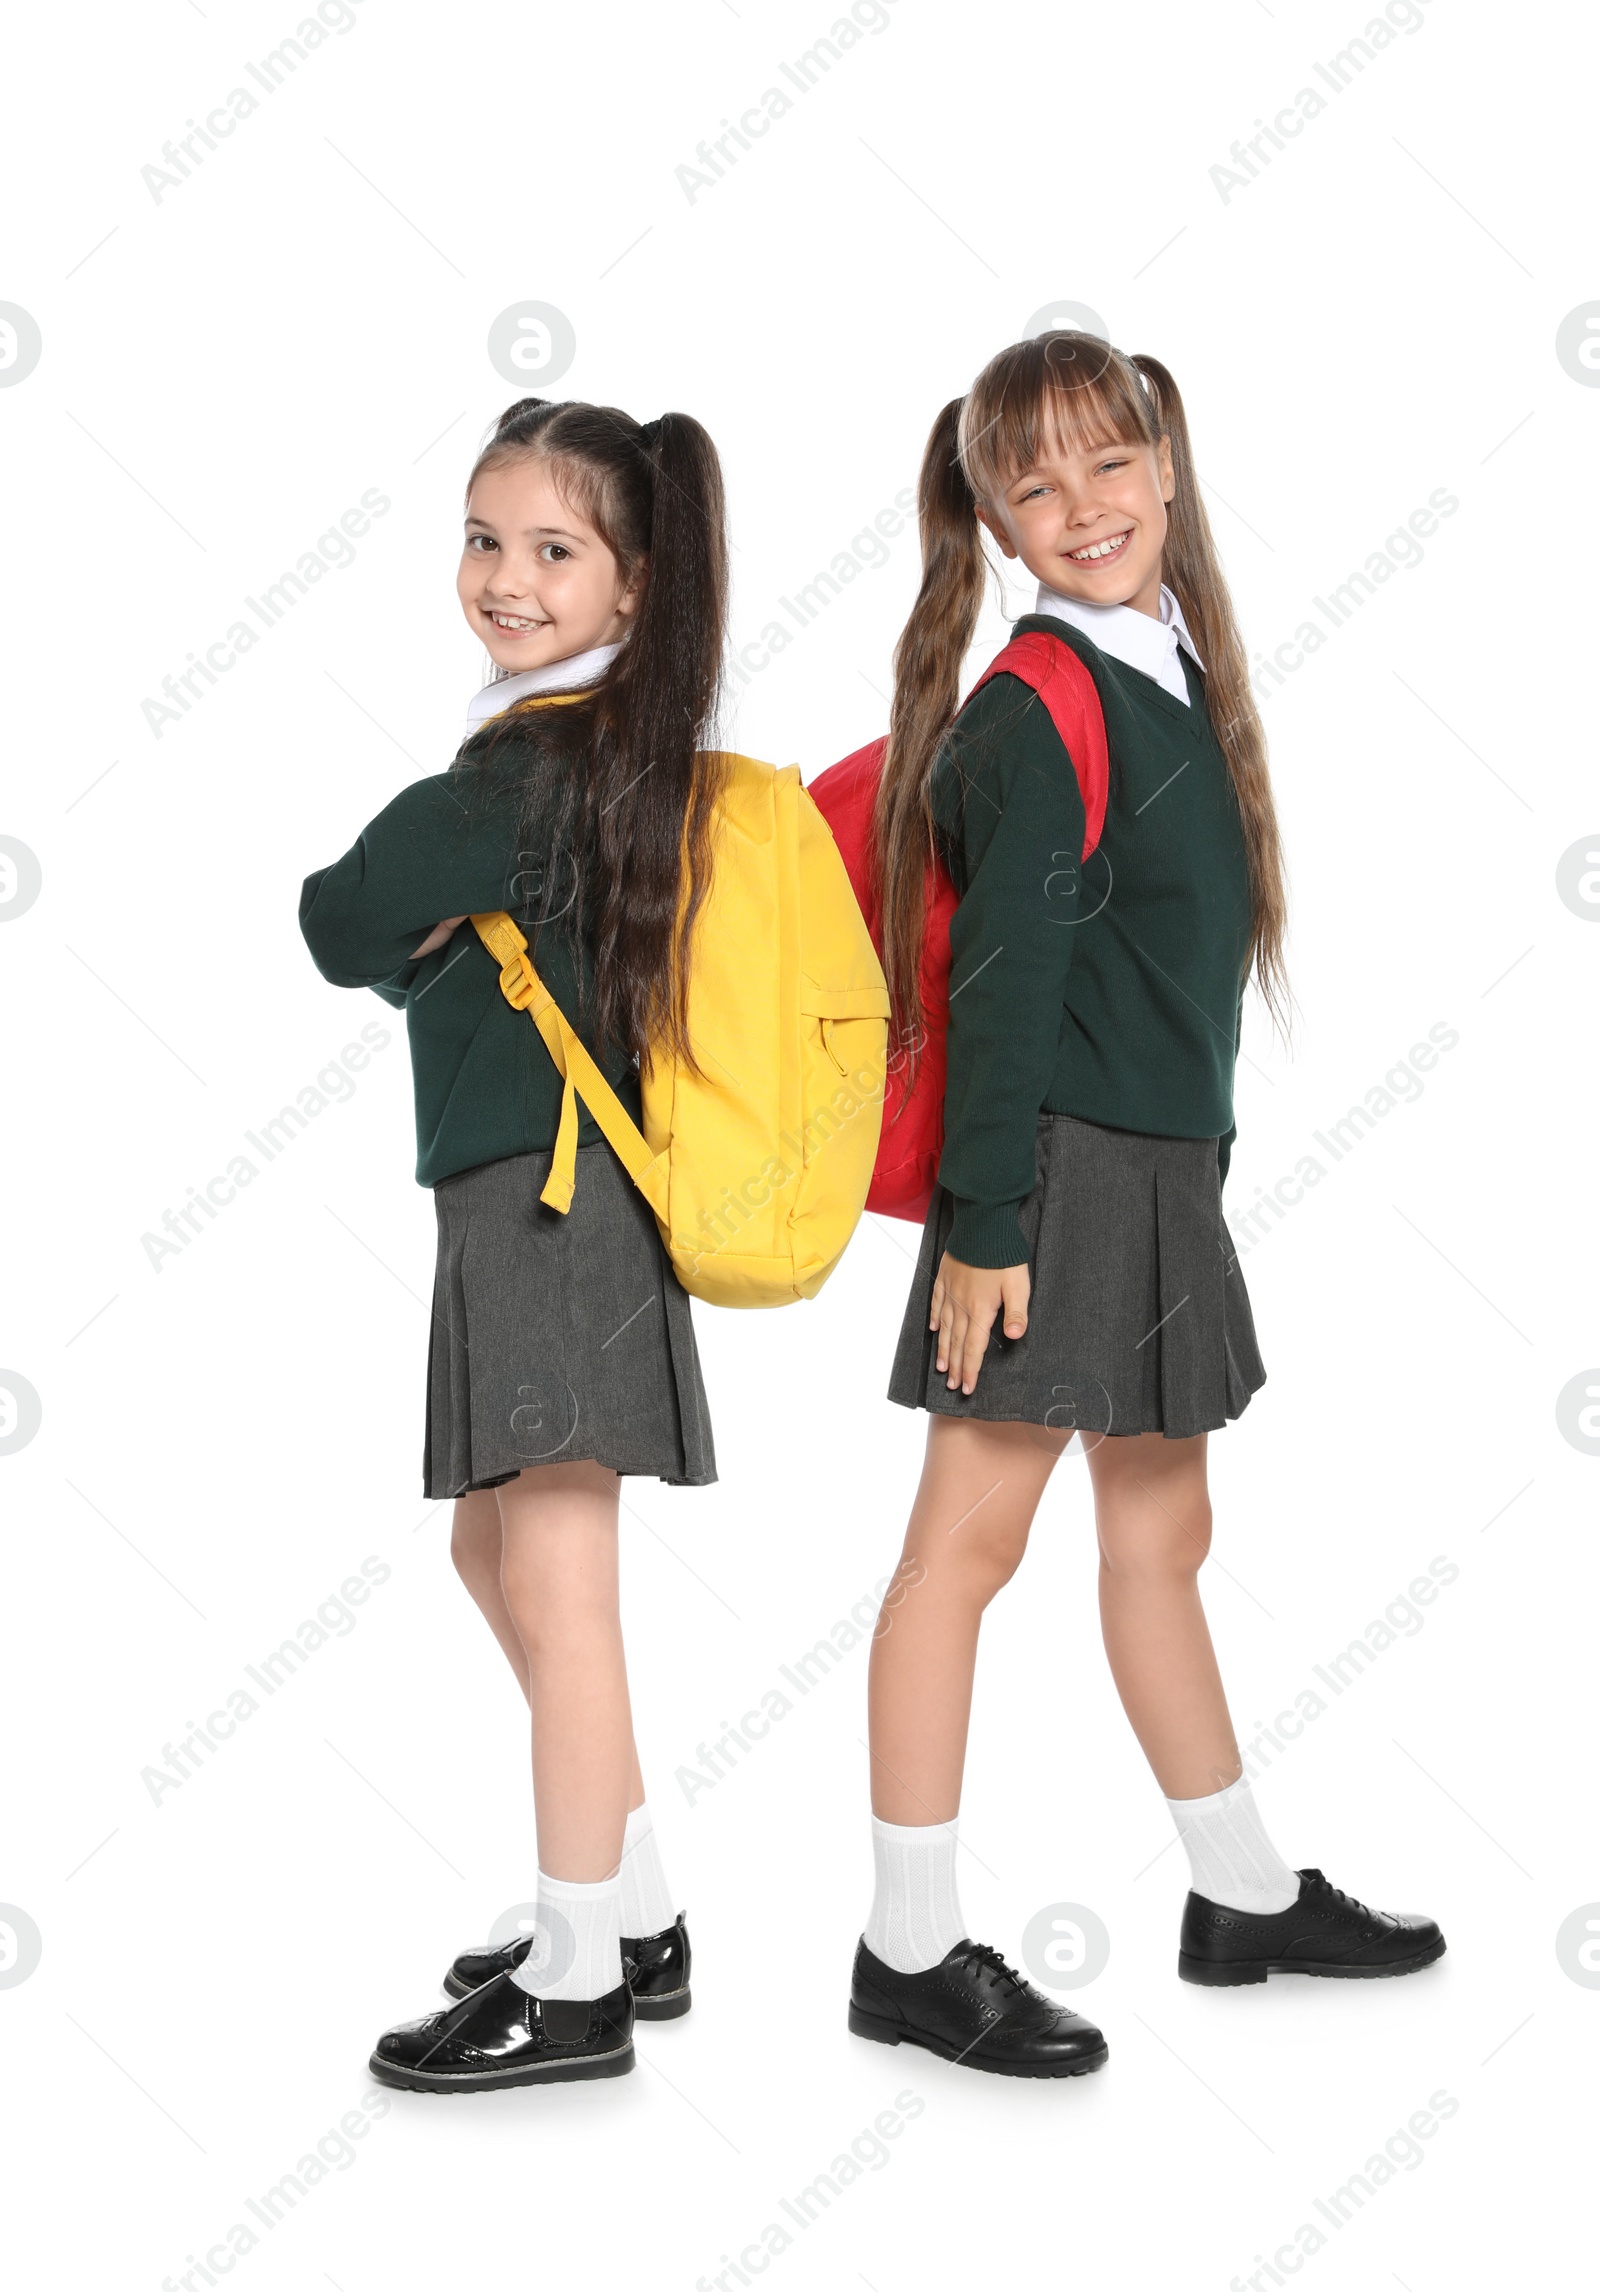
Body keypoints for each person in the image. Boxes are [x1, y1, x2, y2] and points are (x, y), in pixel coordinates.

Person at [849, 333, 1444, 2078]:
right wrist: (985, 1222)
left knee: (1159, 1544)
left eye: (1107, 462)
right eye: (1033, 483)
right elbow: (1012, 987)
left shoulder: (1167, 670)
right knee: (959, 1556)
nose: (1082, 505)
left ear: (1167, 463)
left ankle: (1240, 1892)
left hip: (1156, 1176)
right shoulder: (1045, 700)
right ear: (997, 523)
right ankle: (905, 1949)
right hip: (1049, 1181)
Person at [300, 396, 726, 2091]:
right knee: (501, 1565)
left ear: (632, 586)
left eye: (555, 550)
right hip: (534, 1202)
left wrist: (405, 922)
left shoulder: (522, 767)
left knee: (557, 1592)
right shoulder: (593, 752)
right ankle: (630, 1908)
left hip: (551, 1209)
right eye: (484, 540)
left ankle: (574, 1987)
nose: (506, 577)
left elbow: (339, 915)